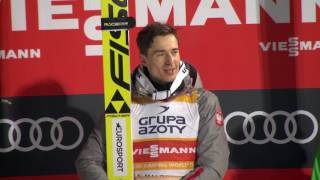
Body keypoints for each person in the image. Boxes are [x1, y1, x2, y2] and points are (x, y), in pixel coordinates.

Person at [75, 22, 229, 180]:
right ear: (144, 60)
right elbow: (88, 161)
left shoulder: (203, 101)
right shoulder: (123, 103)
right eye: (161, 54)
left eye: (174, 52)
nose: (170, 61)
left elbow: (213, 165)